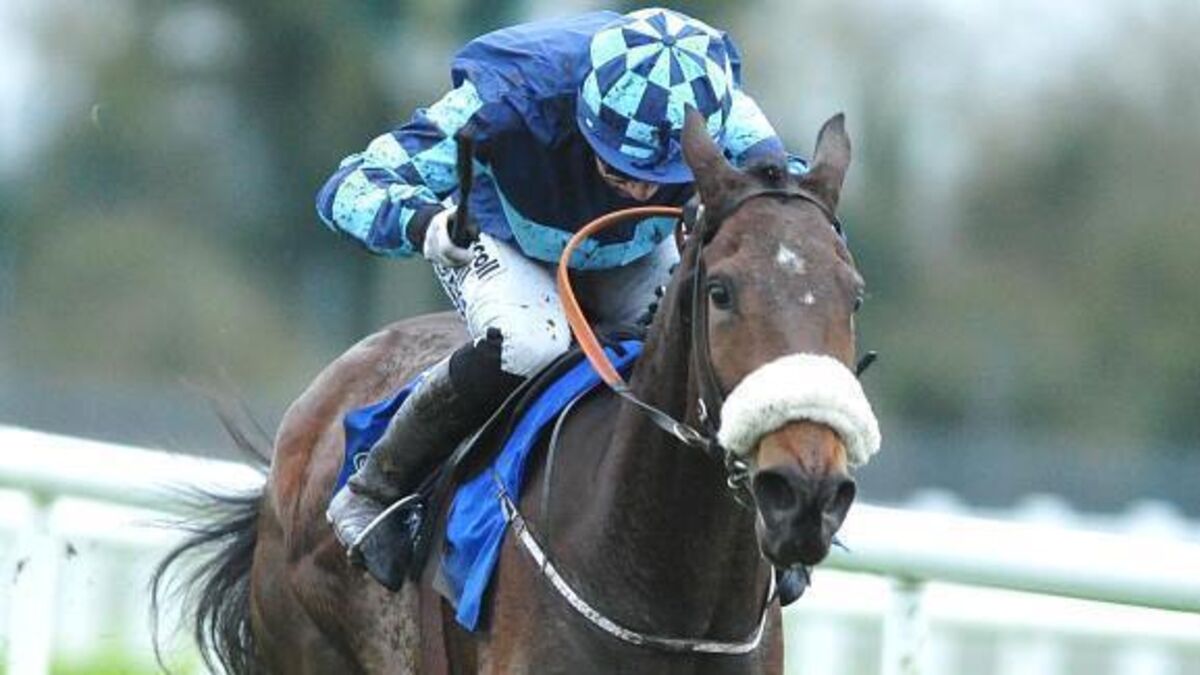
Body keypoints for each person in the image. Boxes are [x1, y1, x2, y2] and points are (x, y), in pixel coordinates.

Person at [318, 7, 792, 574]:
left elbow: (795, 199)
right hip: (507, 237)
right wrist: (424, 226)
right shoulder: (506, 95)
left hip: (636, 247)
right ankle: (377, 486)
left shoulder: (725, 112)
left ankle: (770, 512)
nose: (640, 190)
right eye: (619, 168)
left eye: (660, 176)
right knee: (531, 344)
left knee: (710, 338)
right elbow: (348, 186)